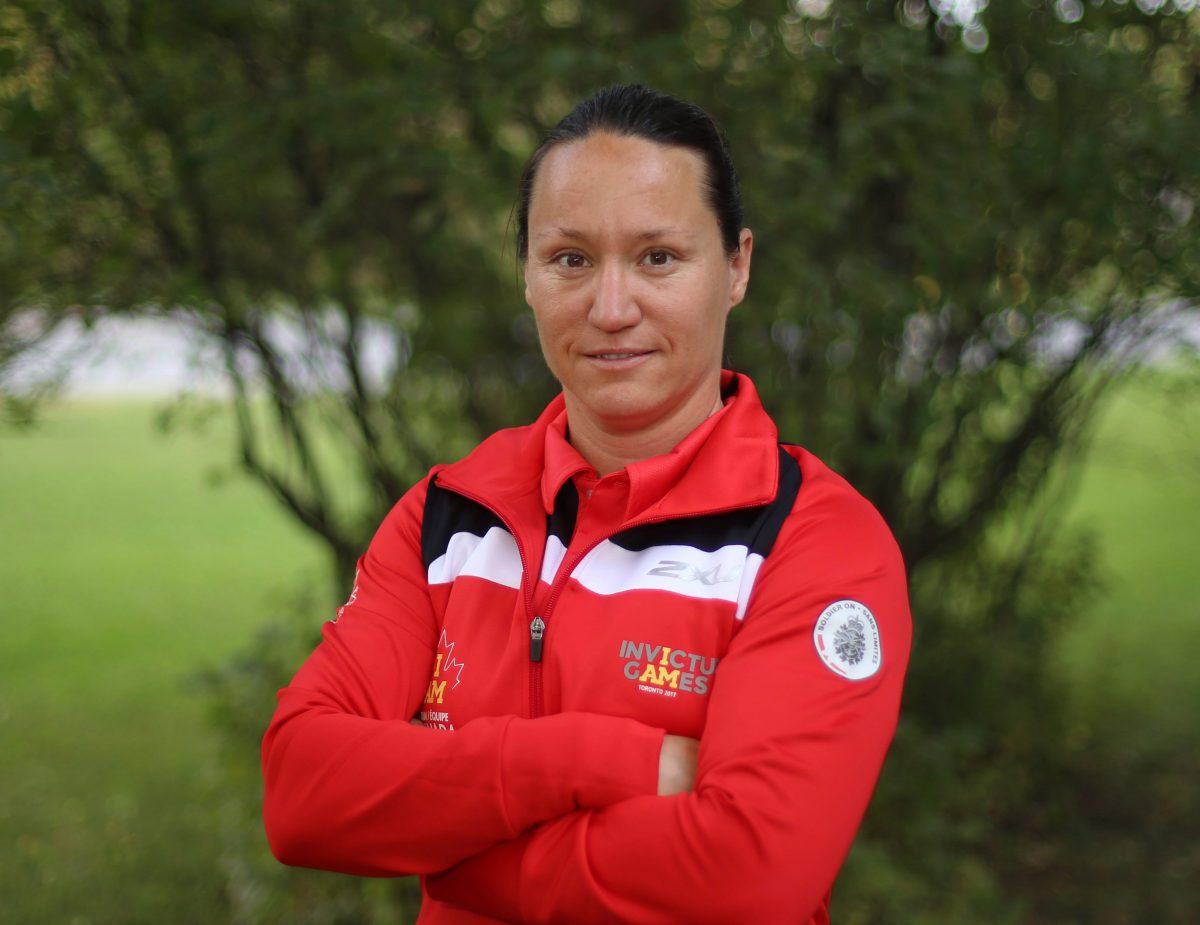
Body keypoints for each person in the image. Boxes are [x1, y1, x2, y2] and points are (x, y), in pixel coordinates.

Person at [262, 84, 911, 924]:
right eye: (570, 259)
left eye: (658, 258)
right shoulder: (448, 517)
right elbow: (303, 792)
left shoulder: (814, 541)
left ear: (738, 265)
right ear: (528, 275)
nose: (611, 308)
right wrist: (600, 760)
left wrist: (463, 860)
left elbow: (751, 875)